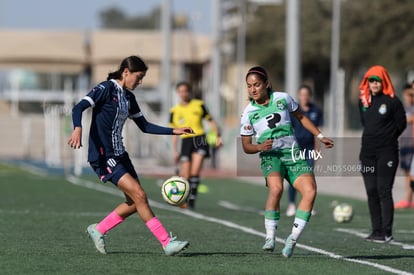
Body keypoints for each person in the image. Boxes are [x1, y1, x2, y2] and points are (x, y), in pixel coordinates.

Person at [67, 56, 193, 256]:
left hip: (120, 155)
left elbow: (144, 126)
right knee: (140, 195)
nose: (140, 82)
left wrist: (174, 131)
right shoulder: (105, 88)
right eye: (139, 77)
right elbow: (78, 107)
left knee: (135, 202)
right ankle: (167, 242)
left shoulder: (129, 98)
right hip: (103, 155)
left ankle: (98, 229)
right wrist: (77, 128)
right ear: (126, 72)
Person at [240, 66, 334, 258]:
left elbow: (301, 117)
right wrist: (260, 147)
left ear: (266, 84)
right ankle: (270, 237)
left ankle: (292, 239)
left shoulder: (283, 98)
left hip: (293, 154)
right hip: (271, 157)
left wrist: (320, 135)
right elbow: (246, 146)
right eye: (249, 86)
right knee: (276, 189)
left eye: (256, 84)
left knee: (310, 191)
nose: (253, 89)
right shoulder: (248, 112)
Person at [358, 65, 406, 243]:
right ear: (367, 82)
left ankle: (386, 232)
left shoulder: (393, 101)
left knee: (383, 190)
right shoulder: (363, 102)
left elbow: (401, 124)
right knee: (371, 191)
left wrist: (387, 138)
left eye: (377, 80)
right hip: (367, 153)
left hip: (387, 152)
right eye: (371, 80)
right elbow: (366, 122)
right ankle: (376, 231)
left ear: (383, 81)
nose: (374, 84)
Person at [169, 81, 223, 210]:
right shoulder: (174, 111)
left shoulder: (199, 105)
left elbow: (211, 121)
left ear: (189, 92)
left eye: (185, 91)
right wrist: (175, 151)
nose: (183, 94)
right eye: (180, 91)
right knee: (186, 175)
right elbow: (174, 133)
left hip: (199, 139)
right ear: (178, 93)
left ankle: (192, 200)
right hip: (186, 141)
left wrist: (218, 137)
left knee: (195, 171)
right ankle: (184, 198)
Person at [287, 84, 323, 216]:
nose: (304, 97)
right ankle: (291, 204)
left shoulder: (316, 110)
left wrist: (317, 150)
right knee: (295, 177)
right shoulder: (293, 110)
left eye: (306, 94)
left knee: (309, 177)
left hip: (309, 148)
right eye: (302, 94)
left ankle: (307, 205)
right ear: (298, 96)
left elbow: (317, 131)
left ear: (310, 96)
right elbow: (288, 129)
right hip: (295, 148)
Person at [395, 84, 414, 209]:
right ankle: (408, 200)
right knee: (408, 173)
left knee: (412, 174)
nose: (410, 97)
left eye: (412, 95)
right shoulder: (403, 108)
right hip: (404, 144)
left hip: (412, 144)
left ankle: (408, 198)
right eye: (408, 94)